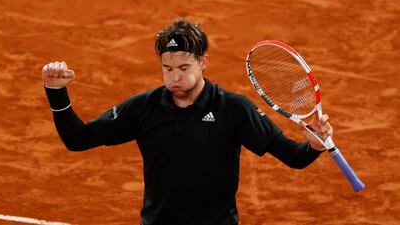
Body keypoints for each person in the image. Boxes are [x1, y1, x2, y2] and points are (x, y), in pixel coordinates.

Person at [42, 19, 333, 225]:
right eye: (166, 68)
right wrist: (56, 92)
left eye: (183, 67)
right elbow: (77, 139)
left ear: (203, 62)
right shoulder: (145, 108)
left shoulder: (233, 109)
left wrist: (314, 145)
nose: (173, 78)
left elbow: (292, 157)